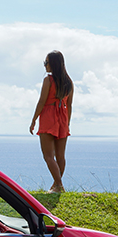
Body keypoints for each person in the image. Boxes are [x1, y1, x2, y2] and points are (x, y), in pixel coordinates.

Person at [29, 50, 74, 193]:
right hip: (63, 116)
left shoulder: (48, 80)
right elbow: (70, 105)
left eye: (46, 62)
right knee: (60, 156)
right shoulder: (69, 82)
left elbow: (42, 101)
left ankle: (59, 185)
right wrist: (67, 123)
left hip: (49, 115)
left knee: (48, 156)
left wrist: (34, 119)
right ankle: (56, 185)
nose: (45, 66)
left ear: (52, 64)